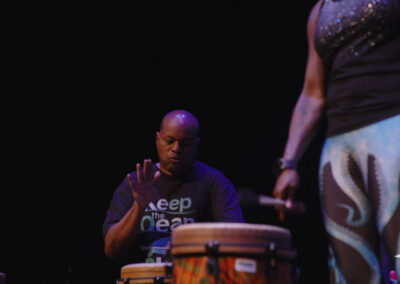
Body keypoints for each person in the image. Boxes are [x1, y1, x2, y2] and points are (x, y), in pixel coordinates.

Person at [272, 0, 400, 283]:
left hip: (392, 125)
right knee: (351, 270)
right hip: (339, 144)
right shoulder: (321, 10)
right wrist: (289, 162)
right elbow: (312, 94)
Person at [103, 109, 244, 264]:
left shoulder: (215, 182)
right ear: (157, 140)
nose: (176, 149)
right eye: (170, 141)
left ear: (196, 145)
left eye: (185, 144)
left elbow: (235, 241)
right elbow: (111, 249)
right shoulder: (136, 183)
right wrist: (139, 206)